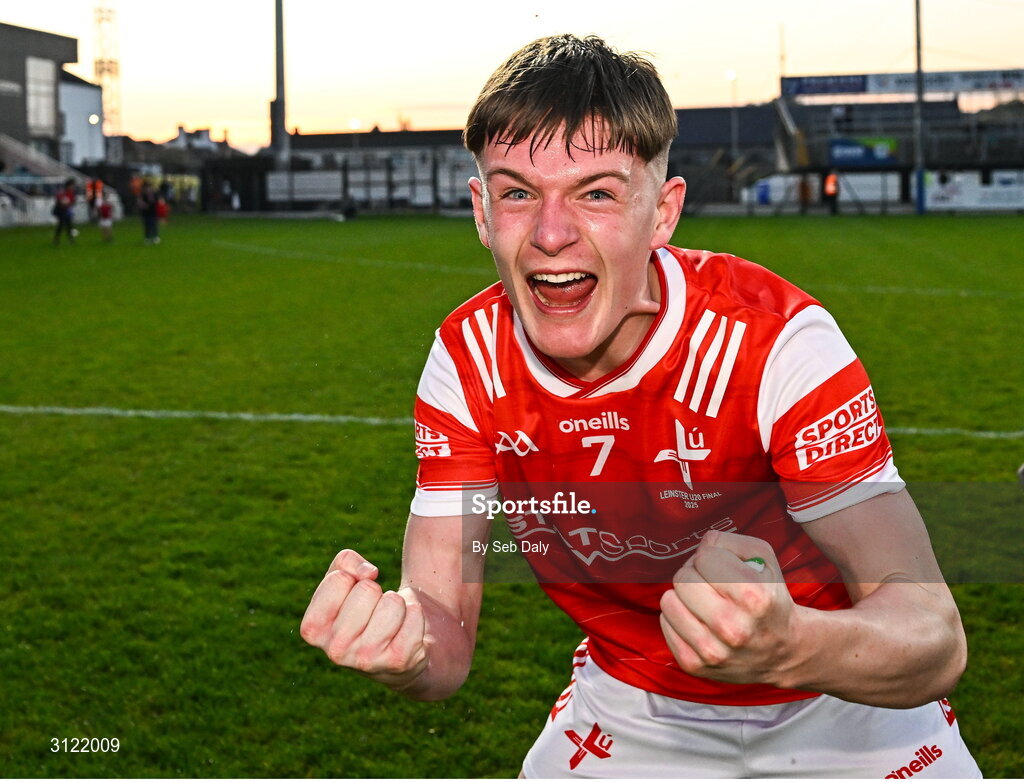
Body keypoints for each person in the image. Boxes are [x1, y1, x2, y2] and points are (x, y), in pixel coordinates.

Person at [300, 35, 979, 778]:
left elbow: (933, 636)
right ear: (481, 212)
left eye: (597, 192)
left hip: (845, 706)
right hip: (632, 704)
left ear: (663, 213)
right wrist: (404, 647)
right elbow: (444, 643)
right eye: (517, 192)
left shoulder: (775, 344)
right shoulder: (468, 364)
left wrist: (790, 644)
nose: (552, 235)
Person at [52, 179, 77, 245]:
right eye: (72, 186)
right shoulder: (62, 192)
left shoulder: (71, 193)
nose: (72, 187)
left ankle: (70, 239)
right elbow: (60, 201)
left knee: (69, 225)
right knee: (61, 225)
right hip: (61, 211)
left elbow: (73, 202)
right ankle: (56, 239)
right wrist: (65, 203)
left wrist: (69, 203)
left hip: (67, 211)